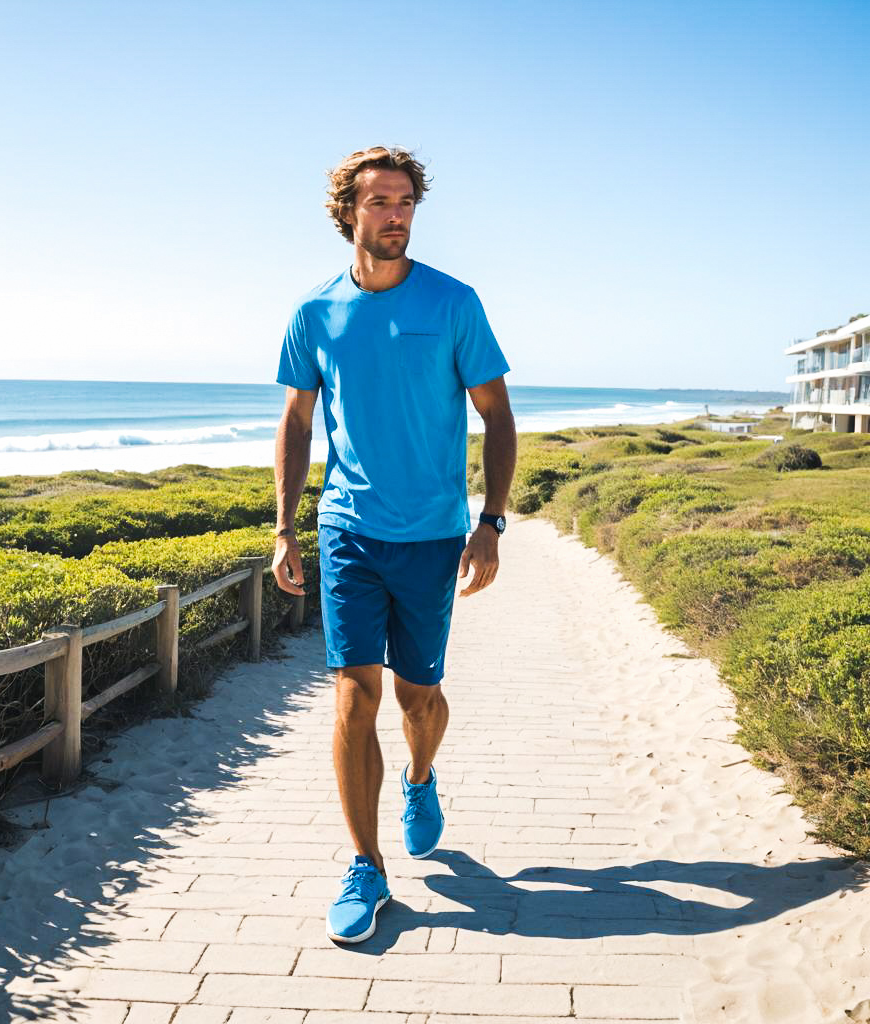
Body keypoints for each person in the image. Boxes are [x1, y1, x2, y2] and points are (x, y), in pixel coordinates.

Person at [272, 146, 516, 944]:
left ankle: (419, 776)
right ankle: (366, 867)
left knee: (419, 700)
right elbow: (298, 422)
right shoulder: (315, 313)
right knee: (354, 697)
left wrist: (491, 522)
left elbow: (498, 416)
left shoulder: (454, 303)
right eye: (379, 202)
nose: (396, 215)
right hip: (347, 528)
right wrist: (283, 526)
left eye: (405, 201)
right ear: (349, 212)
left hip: (434, 535)